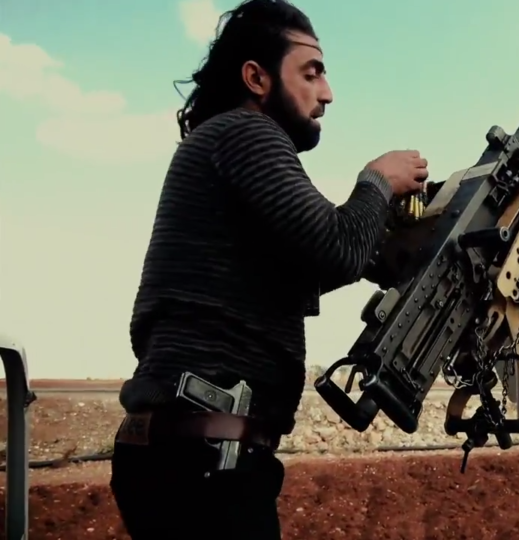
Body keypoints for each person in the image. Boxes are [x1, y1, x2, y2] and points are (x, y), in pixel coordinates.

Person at [108, 1, 428, 538]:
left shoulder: (219, 142)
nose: (326, 93)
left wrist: (387, 250)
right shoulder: (244, 133)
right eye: (312, 72)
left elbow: (310, 265)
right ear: (256, 77)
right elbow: (335, 246)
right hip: (205, 468)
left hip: (186, 457)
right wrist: (377, 180)